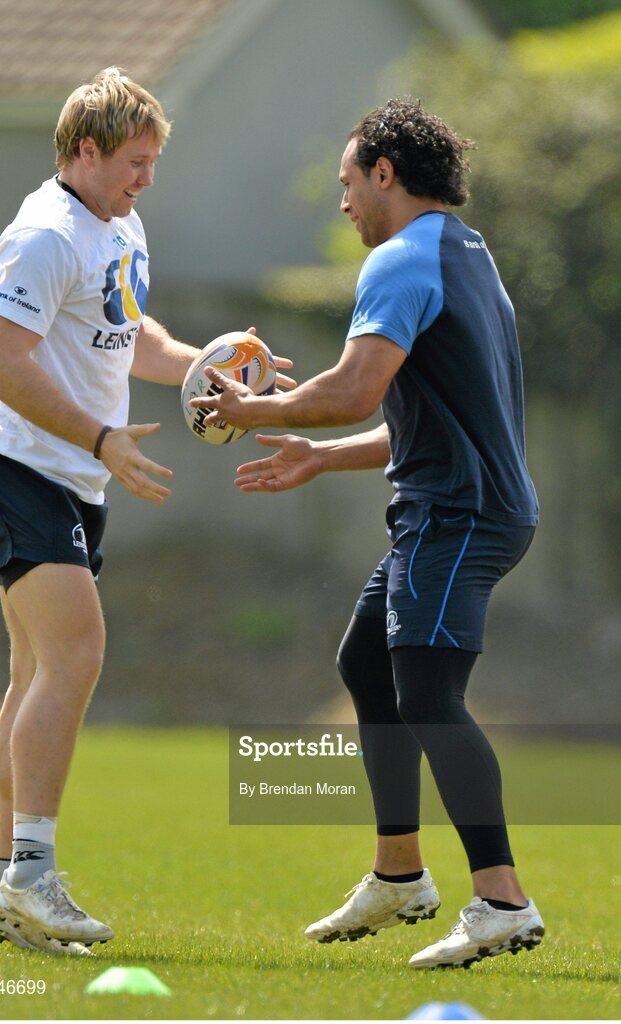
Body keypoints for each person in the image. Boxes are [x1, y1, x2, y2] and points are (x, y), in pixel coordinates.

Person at [189, 99, 545, 970]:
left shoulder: (398, 259)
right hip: (456, 506)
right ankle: (398, 874)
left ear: (384, 173)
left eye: (348, 182)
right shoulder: (466, 253)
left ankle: (501, 900)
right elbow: (417, 419)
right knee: (366, 662)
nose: (343, 201)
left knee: (426, 693)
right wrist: (315, 456)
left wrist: (250, 407)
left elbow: (352, 388)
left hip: (457, 515)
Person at [0, 67, 292, 956]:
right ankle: (31, 874)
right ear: (86, 152)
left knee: (36, 676)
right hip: (11, 467)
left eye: (153, 164)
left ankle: (4, 887)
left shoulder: (119, 225)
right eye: (134, 162)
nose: (146, 179)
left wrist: (199, 366)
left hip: (66, 479)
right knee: (77, 653)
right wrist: (102, 438)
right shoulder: (42, 235)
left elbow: (130, 330)